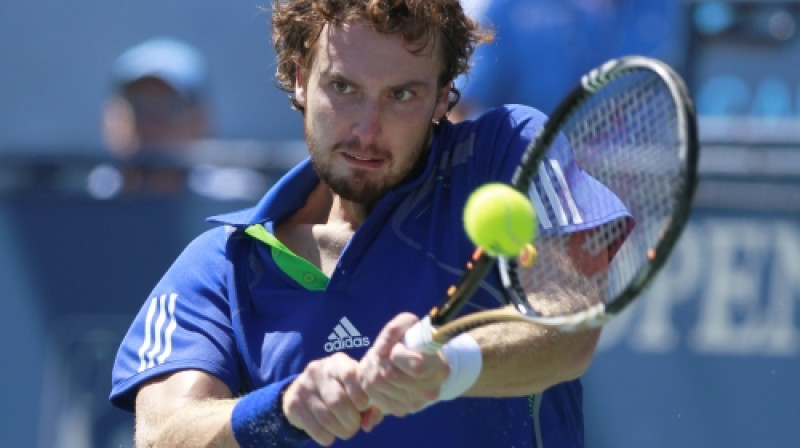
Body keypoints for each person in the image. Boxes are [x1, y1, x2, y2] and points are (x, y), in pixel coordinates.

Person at [110, 1, 621, 446]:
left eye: (402, 95)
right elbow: (161, 435)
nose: (367, 130)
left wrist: (447, 366)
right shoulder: (221, 263)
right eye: (343, 87)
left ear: (445, 97)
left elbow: (569, 327)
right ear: (298, 78)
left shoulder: (506, 151)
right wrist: (283, 408)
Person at [452, 0, 688, 120]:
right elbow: (457, 111)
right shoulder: (510, 8)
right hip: (531, 190)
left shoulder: (671, 8)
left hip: (636, 190)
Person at [102, 36, 213, 159]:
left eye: (172, 107)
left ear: (201, 120)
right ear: (110, 118)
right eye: (138, 107)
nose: (153, 124)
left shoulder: (230, 178)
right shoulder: (85, 177)